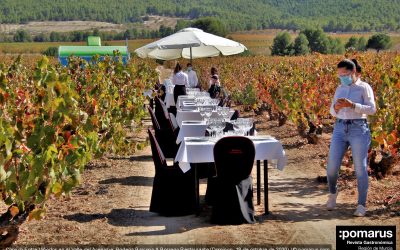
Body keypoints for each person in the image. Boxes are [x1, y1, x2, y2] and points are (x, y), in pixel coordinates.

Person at [326, 59, 376, 217]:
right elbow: (332, 112)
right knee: (332, 166)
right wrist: (336, 108)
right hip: (340, 128)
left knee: (360, 168)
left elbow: (372, 109)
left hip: (358, 128)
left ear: (353, 72)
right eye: (340, 75)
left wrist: (352, 105)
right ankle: (333, 194)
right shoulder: (339, 88)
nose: (342, 77)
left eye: (345, 74)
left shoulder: (364, 87)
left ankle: (361, 204)